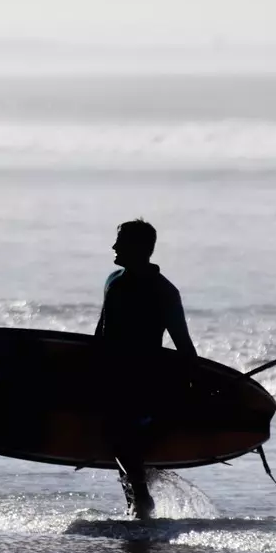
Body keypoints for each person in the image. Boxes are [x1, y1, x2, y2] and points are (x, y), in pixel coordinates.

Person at [94, 219, 196, 519]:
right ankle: (136, 506)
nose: (114, 247)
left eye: (120, 241)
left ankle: (141, 501)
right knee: (121, 443)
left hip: (145, 381)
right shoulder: (113, 281)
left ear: (140, 248)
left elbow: (184, 345)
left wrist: (193, 388)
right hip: (111, 377)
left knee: (120, 439)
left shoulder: (164, 292)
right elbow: (100, 332)